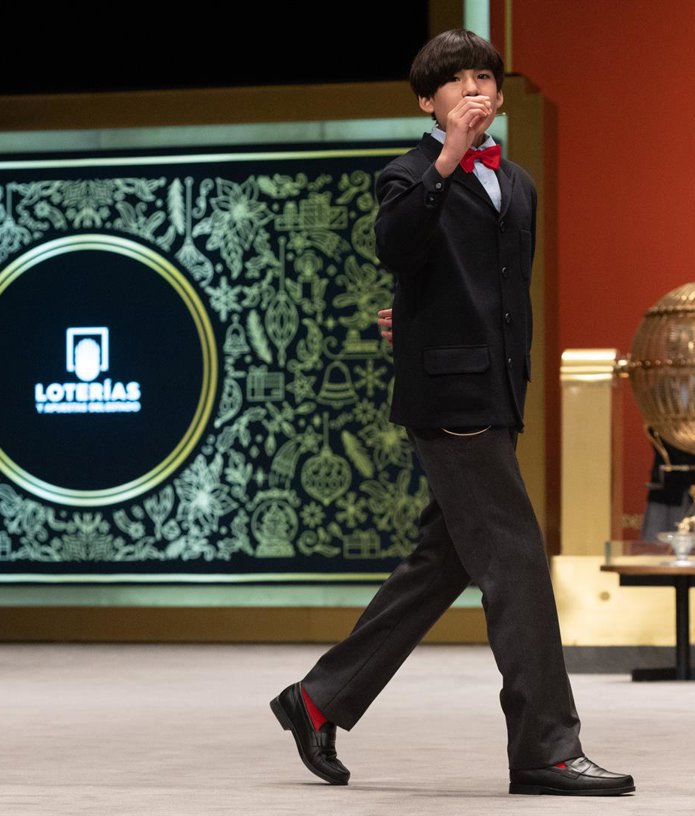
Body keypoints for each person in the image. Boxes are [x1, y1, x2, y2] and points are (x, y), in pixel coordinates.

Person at [269, 30, 633, 796]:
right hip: (450, 399)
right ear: (426, 102)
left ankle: (317, 700)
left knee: (447, 560)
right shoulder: (408, 175)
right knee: (517, 561)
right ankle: (545, 748)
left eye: (485, 79)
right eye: (458, 81)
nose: (476, 91)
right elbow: (397, 248)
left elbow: (486, 289)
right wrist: (444, 164)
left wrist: (415, 318)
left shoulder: (517, 184)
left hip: (497, 392)